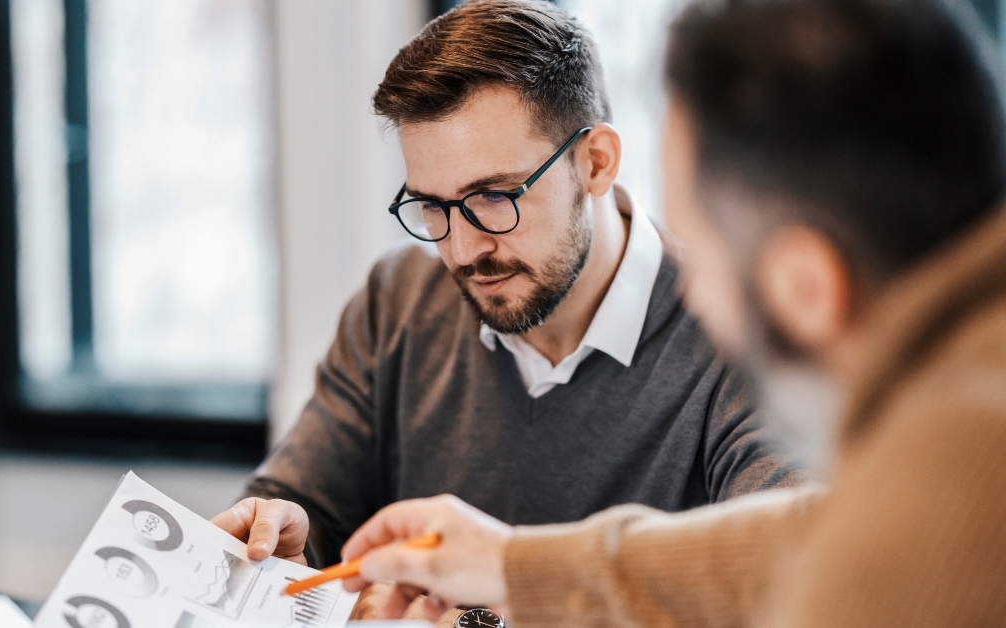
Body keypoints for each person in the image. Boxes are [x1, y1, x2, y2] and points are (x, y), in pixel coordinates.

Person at [336, 0, 1006, 625]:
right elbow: (798, 538)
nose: (692, 296)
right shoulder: (963, 387)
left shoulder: (950, 482)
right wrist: (515, 568)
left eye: (703, 258)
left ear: (808, 286)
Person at [209, 0, 805, 620]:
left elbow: (793, 581)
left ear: (595, 162)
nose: (464, 251)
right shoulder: (399, 302)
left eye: (494, 197)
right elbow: (304, 511)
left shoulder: (740, 331)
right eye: (433, 207)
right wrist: (282, 544)